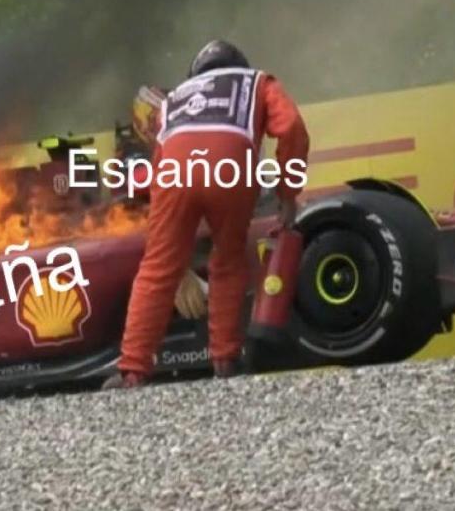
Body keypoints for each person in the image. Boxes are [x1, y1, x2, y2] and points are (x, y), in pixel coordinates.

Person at [104, 40, 310, 388]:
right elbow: (291, 128)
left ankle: (132, 371)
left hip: (173, 176)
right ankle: (225, 361)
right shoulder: (259, 82)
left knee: (156, 270)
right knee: (228, 261)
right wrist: (288, 192)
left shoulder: (175, 98)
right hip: (229, 170)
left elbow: (159, 165)